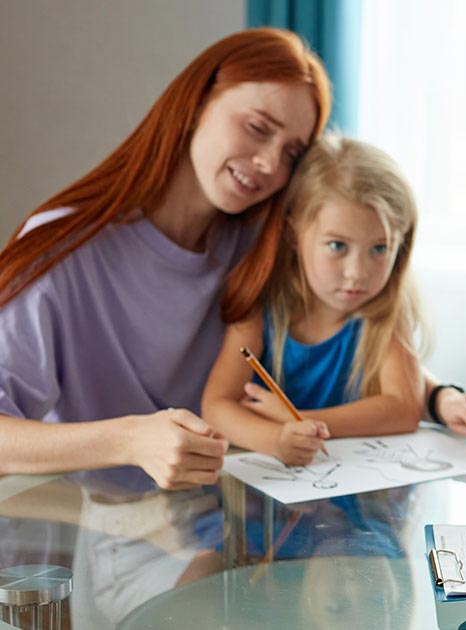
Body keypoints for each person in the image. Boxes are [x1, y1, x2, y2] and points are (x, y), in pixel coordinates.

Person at [0, 28, 332, 491]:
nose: (268, 165)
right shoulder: (68, 246)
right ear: (197, 103)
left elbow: (358, 321)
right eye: (258, 128)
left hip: (232, 513)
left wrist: (440, 398)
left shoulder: (256, 246)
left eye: (291, 155)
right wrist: (130, 440)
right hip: (106, 528)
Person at [201, 134, 466, 464]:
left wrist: (300, 420)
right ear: (294, 235)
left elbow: (403, 409)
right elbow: (217, 406)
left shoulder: (386, 308)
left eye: (379, 248)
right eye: (337, 246)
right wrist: (275, 438)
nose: (357, 273)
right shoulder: (262, 306)